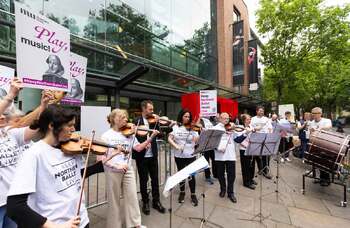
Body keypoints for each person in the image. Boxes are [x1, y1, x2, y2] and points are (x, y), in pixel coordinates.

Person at [6, 104, 108, 228]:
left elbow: (77, 175)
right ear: (51, 125)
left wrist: (103, 165)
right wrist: (55, 226)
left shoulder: (71, 149)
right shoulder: (33, 155)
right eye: (69, 125)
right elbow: (15, 207)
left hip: (81, 220)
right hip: (57, 224)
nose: (73, 129)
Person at [0, 78, 50, 228]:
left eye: (4, 114)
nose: (3, 116)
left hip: (13, 200)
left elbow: (33, 128)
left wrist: (43, 106)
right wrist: (10, 95)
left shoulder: (9, 133)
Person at [100, 109, 153, 228]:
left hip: (127, 169)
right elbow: (101, 159)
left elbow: (138, 148)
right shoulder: (106, 136)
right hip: (113, 170)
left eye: (126, 117)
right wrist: (116, 165)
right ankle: (114, 225)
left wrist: (150, 138)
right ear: (114, 119)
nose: (126, 120)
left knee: (132, 196)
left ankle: (135, 224)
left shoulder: (129, 134)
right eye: (123, 117)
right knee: (114, 201)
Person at [132, 100, 165, 215]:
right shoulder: (136, 121)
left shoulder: (153, 121)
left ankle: (156, 201)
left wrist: (158, 126)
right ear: (144, 109)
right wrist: (145, 141)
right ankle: (145, 201)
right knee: (143, 180)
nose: (152, 111)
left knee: (155, 179)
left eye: (152, 109)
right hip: (142, 156)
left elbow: (161, 134)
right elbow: (133, 137)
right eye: (150, 109)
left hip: (153, 155)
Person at [213, 112, 248, 203]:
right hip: (219, 156)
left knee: (232, 175)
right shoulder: (215, 128)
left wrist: (245, 134)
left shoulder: (232, 128)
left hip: (231, 155)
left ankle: (230, 192)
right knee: (220, 175)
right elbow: (212, 142)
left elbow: (237, 140)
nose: (226, 120)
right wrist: (217, 148)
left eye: (228, 118)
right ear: (220, 119)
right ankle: (223, 189)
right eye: (224, 118)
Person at [168, 109, 199, 206]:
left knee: (191, 175)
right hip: (179, 155)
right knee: (181, 174)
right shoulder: (176, 127)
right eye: (185, 116)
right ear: (181, 116)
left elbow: (196, 140)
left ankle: (193, 194)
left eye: (189, 117)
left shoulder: (193, 128)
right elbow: (169, 138)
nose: (187, 118)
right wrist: (176, 146)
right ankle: (182, 192)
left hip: (191, 155)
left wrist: (196, 134)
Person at [309, 107, 332, 186]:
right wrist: (311, 132)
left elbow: (329, 127)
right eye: (312, 113)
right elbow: (311, 133)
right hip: (316, 143)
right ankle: (319, 178)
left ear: (320, 114)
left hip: (325, 144)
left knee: (324, 161)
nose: (313, 115)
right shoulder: (312, 122)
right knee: (317, 161)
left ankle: (326, 180)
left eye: (315, 113)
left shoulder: (326, 121)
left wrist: (321, 128)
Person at [251, 106, 273, 179]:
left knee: (265, 156)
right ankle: (260, 169)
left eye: (262, 111)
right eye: (260, 111)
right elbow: (251, 128)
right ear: (257, 111)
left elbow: (270, 128)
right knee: (257, 156)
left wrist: (269, 136)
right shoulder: (253, 119)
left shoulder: (266, 119)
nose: (261, 112)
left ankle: (266, 171)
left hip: (265, 139)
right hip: (256, 139)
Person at [239, 114, 256, 190]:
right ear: (244, 120)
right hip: (244, 149)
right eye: (248, 119)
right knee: (245, 166)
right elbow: (239, 140)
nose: (250, 120)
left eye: (250, 119)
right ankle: (246, 182)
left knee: (252, 165)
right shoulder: (241, 128)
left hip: (252, 149)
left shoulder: (251, 127)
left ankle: (251, 179)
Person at [199, 115, 217, 185]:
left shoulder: (212, 120)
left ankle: (216, 174)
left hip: (212, 144)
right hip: (205, 145)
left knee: (214, 160)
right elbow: (197, 128)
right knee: (206, 161)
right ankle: (208, 176)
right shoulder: (201, 120)